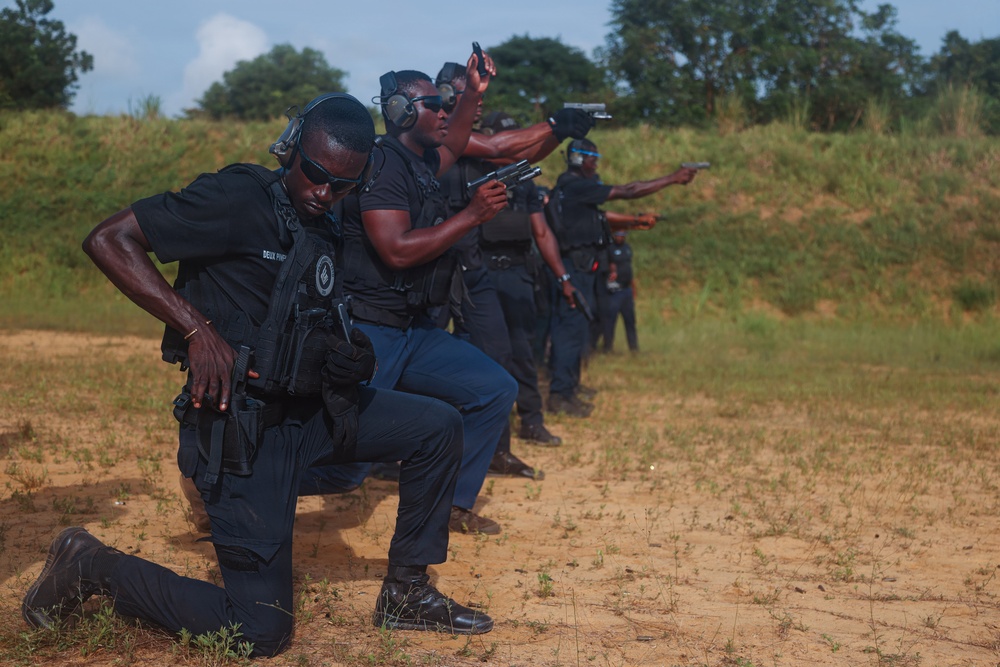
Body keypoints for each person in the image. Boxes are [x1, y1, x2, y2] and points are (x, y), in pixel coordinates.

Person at [21, 94, 492, 658]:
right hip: (244, 430)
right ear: (289, 149)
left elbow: (309, 315)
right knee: (260, 633)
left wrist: (352, 356)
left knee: (436, 426)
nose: (324, 193)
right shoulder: (236, 198)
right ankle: (90, 564)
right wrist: (196, 329)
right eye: (316, 174)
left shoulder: (327, 220)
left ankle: (407, 594)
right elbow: (108, 240)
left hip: (309, 415)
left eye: (342, 185)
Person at [308, 53, 518, 535]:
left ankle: (452, 505)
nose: (445, 112)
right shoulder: (383, 165)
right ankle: (231, 485)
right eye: (435, 105)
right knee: (346, 471)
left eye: (446, 104)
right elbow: (397, 251)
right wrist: (471, 215)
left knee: (494, 389)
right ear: (401, 112)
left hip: (411, 328)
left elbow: (457, 138)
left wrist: (473, 92)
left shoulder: (421, 161)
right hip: (370, 329)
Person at [432, 66, 593, 474]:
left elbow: (514, 152)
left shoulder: (471, 142)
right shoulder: (435, 137)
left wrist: (558, 133)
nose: (478, 101)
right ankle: (386, 452)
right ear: (445, 96)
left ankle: (495, 451)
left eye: (480, 96)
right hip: (428, 265)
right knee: (414, 355)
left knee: (499, 356)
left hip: (468, 266)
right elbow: (500, 144)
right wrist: (554, 124)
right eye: (469, 94)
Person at [547, 139, 699, 417]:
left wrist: (634, 222)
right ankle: (560, 394)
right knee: (569, 332)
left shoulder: (574, 188)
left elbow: (599, 218)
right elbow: (628, 191)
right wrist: (672, 179)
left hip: (582, 267)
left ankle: (568, 388)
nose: (596, 164)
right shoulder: (575, 185)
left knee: (577, 331)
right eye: (592, 158)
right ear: (579, 159)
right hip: (575, 267)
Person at [472, 110, 584, 452]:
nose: (516, 149)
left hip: (518, 275)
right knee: (485, 354)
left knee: (522, 351)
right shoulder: (472, 175)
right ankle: (490, 431)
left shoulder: (525, 182)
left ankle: (532, 420)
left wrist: (563, 277)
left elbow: (542, 232)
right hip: (480, 273)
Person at [603, 230, 639, 352]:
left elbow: (629, 268)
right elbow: (608, 265)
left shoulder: (627, 248)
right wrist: (611, 273)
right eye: (618, 235)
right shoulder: (610, 249)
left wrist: (633, 287)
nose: (620, 238)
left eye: (623, 235)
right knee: (610, 320)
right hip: (615, 290)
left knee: (630, 320)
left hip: (626, 289)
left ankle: (634, 347)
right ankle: (608, 347)